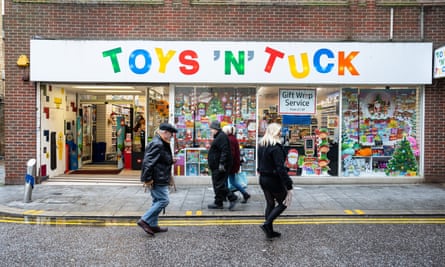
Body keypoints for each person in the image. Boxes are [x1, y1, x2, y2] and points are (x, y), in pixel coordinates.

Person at [137, 122, 177, 236]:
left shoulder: (161, 142)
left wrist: (170, 160)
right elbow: (148, 162)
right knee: (164, 200)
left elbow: (159, 159)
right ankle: (144, 220)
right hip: (157, 177)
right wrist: (147, 179)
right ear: (165, 132)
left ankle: (153, 225)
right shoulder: (158, 143)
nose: (171, 136)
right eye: (171, 134)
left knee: (156, 201)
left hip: (160, 176)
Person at [257, 122, 293, 239]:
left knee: (270, 203)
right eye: (279, 131)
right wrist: (288, 184)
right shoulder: (276, 148)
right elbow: (280, 168)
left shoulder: (262, 145)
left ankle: (269, 231)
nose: (281, 133)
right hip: (273, 179)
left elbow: (262, 164)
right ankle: (267, 224)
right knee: (284, 202)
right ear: (274, 132)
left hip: (263, 179)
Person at [207, 120, 238, 210]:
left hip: (220, 166)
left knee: (219, 185)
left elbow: (225, 151)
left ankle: (232, 197)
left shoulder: (221, 137)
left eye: (212, 129)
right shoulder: (219, 136)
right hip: (216, 165)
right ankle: (218, 202)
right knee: (217, 184)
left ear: (216, 129)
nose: (211, 131)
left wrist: (222, 164)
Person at [222, 125, 250, 203]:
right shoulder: (233, 138)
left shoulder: (229, 139)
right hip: (233, 164)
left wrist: (226, 163)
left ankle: (242, 194)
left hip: (230, 165)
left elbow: (231, 153)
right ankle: (228, 195)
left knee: (230, 181)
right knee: (229, 181)